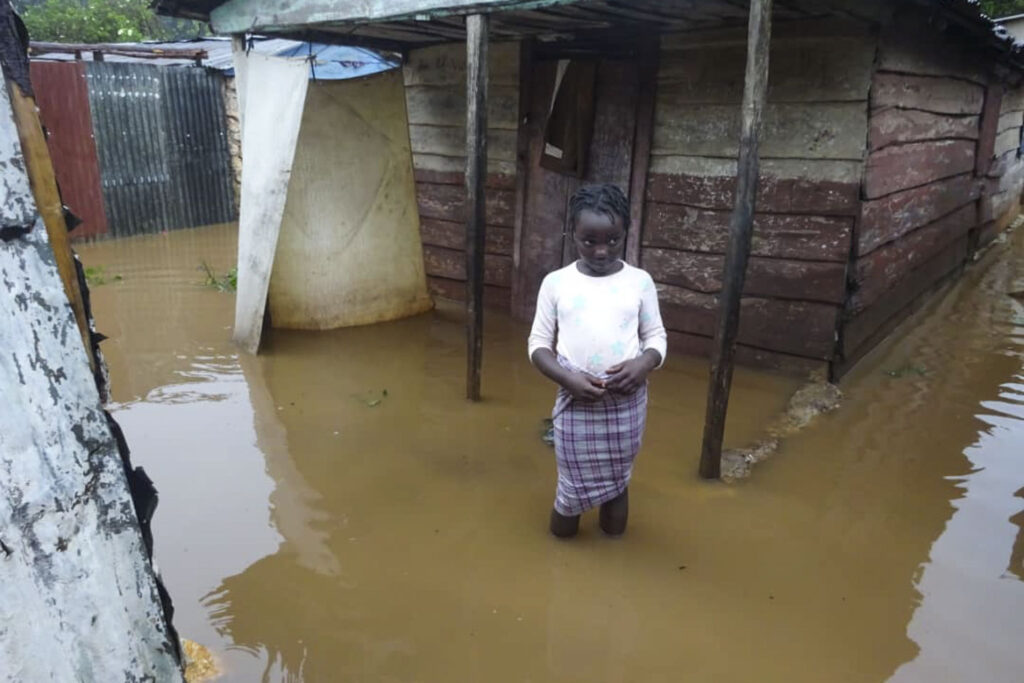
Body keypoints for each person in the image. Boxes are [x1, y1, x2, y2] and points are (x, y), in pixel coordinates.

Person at [528, 183, 667, 538]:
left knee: (618, 484)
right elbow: (538, 345)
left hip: (625, 401)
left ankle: (613, 554)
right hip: (576, 399)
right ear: (571, 234)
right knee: (570, 491)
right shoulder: (556, 283)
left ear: (626, 233)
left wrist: (644, 364)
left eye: (613, 240)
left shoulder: (640, 282)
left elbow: (656, 338)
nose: (601, 251)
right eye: (589, 241)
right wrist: (567, 379)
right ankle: (561, 556)